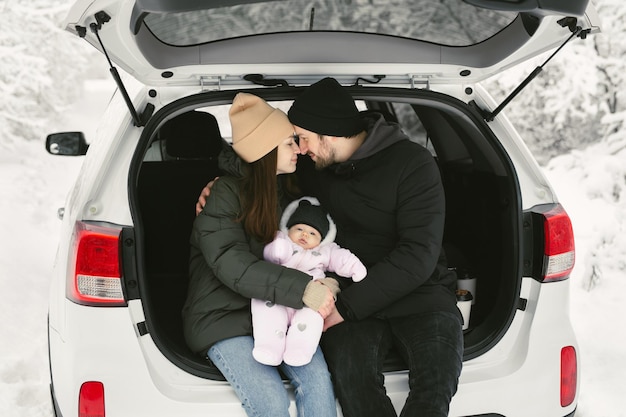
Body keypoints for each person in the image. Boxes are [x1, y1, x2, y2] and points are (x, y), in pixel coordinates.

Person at [197, 78, 463, 417]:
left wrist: (345, 308)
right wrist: (219, 183)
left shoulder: (414, 164)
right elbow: (262, 171)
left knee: (436, 382)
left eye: (303, 139)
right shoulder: (311, 166)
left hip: (418, 293)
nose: (301, 148)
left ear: (329, 133)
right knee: (354, 382)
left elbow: (418, 256)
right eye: (296, 141)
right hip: (344, 292)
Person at [182, 92, 338, 417]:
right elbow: (233, 265)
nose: (299, 150)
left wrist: (328, 281)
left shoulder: (286, 191)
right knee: (271, 402)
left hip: (277, 313)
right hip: (223, 318)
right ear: (266, 151)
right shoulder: (223, 195)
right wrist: (304, 290)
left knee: (319, 384)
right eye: (289, 143)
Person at [253, 196, 366, 367]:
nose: (305, 234)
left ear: (321, 239)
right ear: (288, 228)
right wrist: (277, 248)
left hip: (309, 298)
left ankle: (300, 349)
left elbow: (341, 257)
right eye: (299, 228)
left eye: (312, 233)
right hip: (278, 295)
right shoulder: (283, 241)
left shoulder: (325, 251)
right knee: (267, 314)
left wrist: (355, 268)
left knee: (312, 318)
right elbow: (271, 251)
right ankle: (269, 347)